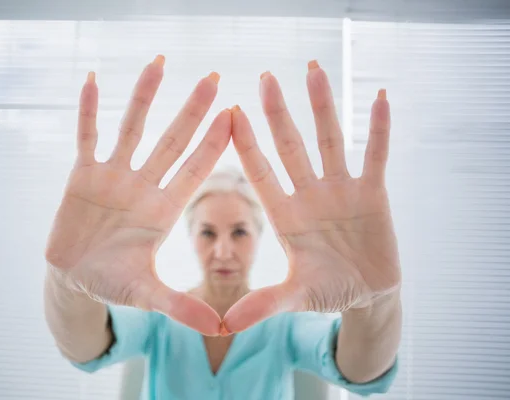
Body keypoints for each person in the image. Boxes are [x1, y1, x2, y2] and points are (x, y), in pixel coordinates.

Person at [44, 55, 402, 399]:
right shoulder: (160, 319)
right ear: (189, 236)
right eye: (208, 233)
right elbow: (86, 346)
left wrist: (375, 304)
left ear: (262, 235)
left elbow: (360, 370)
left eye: (240, 232)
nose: (223, 251)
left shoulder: (285, 325)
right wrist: (65, 282)